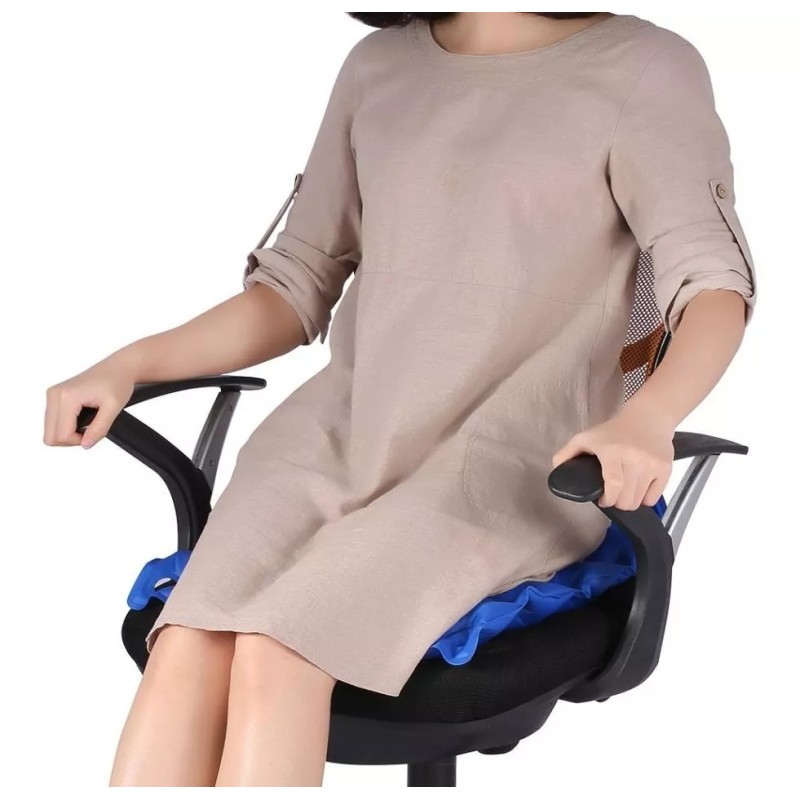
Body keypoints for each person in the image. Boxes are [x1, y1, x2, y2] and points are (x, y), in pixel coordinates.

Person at [43, 11, 757, 787]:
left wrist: (648, 418)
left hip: (510, 465)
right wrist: (130, 363)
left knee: (281, 650)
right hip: (331, 443)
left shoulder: (645, 67)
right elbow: (294, 285)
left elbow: (711, 286)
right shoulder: (376, 67)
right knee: (186, 641)